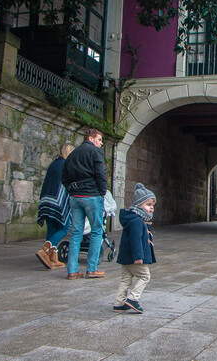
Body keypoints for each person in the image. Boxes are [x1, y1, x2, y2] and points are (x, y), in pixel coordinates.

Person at [61, 128, 108, 280]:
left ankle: (72, 270)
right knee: (96, 231)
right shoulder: (95, 152)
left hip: (75, 197)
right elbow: (101, 173)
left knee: (76, 233)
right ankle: (92, 268)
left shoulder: (73, 153)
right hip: (92, 196)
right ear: (92, 138)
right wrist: (102, 191)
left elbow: (64, 177)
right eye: (99, 140)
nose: (101, 144)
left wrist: (71, 190)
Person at [113, 183, 157, 314]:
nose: (151, 208)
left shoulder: (132, 219)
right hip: (134, 258)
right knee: (145, 276)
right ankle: (133, 298)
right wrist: (138, 256)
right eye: (148, 205)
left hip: (125, 258)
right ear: (139, 205)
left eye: (153, 206)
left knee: (126, 279)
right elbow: (136, 240)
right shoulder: (138, 221)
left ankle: (119, 303)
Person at [36, 143, 75, 269]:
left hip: (46, 200)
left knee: (52, 228)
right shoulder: (66, 165)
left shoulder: (53, 164)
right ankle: (45, 250)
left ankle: (52, 259)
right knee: (63, 228)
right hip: (58, 202)